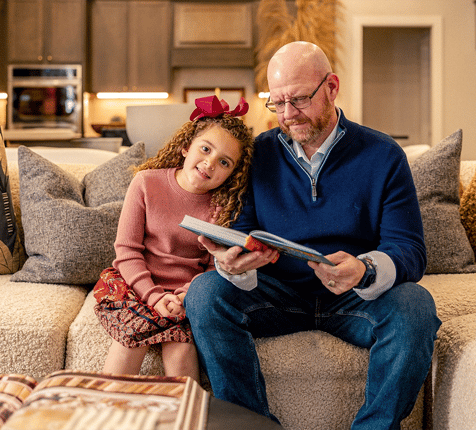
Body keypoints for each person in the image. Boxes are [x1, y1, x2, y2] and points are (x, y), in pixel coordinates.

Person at [184, 41, 441, 429]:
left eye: (300, 99)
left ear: (332, 87)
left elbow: (409, 249)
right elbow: (241, 229)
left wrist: (365, 269)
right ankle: (252, 425)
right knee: (205, 293)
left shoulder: (384, 155)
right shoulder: (257, 153)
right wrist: (235, 263)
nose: (288, 114)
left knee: (416, 306)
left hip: (354, 298)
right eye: (277, 102)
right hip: (275, 294)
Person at [93, 95, 255, 383]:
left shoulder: (223, 205)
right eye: (205, 149)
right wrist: (154, 297)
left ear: (232, 173)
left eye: (224, 162)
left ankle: (185, 420)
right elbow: (126, 251)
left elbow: (210, 266)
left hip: (186, 293)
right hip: (136, 284)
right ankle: (107, 413)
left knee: (181, 353)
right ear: (185, 147)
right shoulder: (145, 183)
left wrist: (184, 295)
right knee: (130, 341)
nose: (209, 163)